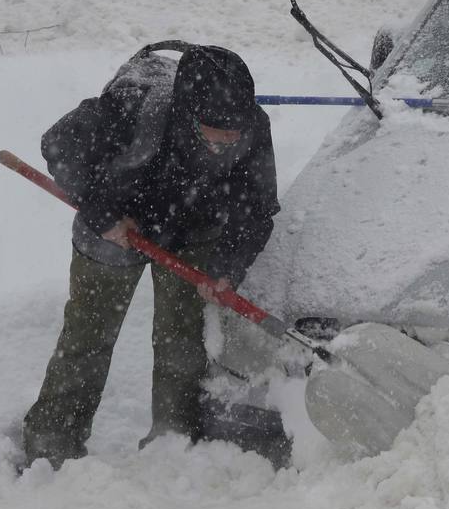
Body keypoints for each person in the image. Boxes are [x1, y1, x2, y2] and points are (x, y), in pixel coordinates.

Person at [22, 43, 280, 469]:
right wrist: (105, 215)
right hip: (116, 217)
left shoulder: (252, 126)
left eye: (234, 132)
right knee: (89, 334)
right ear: (187, 113)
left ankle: (173, 444)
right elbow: (60, 145)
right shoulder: (133, 108)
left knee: (183, 340)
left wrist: (226, 269)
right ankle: (52, 442)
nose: (228, 141)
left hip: (194, 226)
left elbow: (256, 209)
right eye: (216, 132)